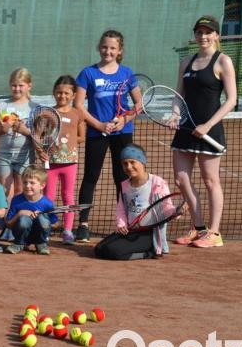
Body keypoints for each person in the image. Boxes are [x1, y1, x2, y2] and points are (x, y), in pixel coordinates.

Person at [171, 16, 237, 248]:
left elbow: (231, 100)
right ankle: (198, 228)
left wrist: (207, 125)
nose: (203, 36)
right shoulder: (186, 62)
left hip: (210, 130)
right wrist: (175, 114)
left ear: (216, 35)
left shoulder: (223, 61)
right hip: (185, 129)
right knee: (181, 179)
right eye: (199, 32)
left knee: (210, 180)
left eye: (208, 32)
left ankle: (214, 233)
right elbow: (179, 95)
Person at [73, 30, 143, 244]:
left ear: (119, 50)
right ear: (99, 47)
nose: (108, 51)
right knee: (91, 176)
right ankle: (83, 225)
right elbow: (78, 105)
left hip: (122, 133)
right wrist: (99, 125)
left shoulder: (127, 73)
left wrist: (124, 120)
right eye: (104, 47)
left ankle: (125, 222)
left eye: (113, 48)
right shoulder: (88, 73)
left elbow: (139, 104)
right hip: (97, 133)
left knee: (122, 177)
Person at [95, 144, 175, 260]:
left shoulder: (157, 183)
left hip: (149, 234)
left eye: (132, 162)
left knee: (114, 252)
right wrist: (121, 224)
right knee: (99, 249)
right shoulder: (125, 185)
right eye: (125, 163)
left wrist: (176, 211)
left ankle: (149, 253)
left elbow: (166, 207)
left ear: (142, 162)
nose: (129, 167)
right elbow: (121, 209)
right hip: (131, 231)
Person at [43, 75, 86, 245]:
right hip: (51, 163)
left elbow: (81, 136)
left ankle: (68, 231)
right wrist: (47, 144)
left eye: (67, 93)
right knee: (48, 196)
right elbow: (41, 135)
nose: (62, 96)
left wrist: (68, 142)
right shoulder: (48, 113)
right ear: (54, 93)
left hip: (70, 163)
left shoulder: (77, 114)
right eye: (59, 92)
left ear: (73, 95)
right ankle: (46, 229)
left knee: (68, 197)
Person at [0, 68, 37, 202]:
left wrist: (25, 131)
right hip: (4, 156)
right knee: (5, 190)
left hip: (25, 156)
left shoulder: (34, 108)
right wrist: (2, 130)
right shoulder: (2, 106)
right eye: (14, 85)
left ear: (29, 86)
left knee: (21, 189)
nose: (17, 89)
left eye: (21, 85)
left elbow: (39, 136)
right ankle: (7, 214)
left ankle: (19, 214)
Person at [4, 165, 58, 255]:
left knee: (43, 219)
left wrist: (42, 217)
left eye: (32, 183)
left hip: (39, 235)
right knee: (24, 219)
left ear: (42, 185)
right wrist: (20, 214)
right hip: (21, 234)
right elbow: (8, 224)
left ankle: (41, 244)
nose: (27, 186)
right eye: (25, 182)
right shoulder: (16, 200)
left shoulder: (47, 203)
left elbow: (55, 224)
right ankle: (18, 243)